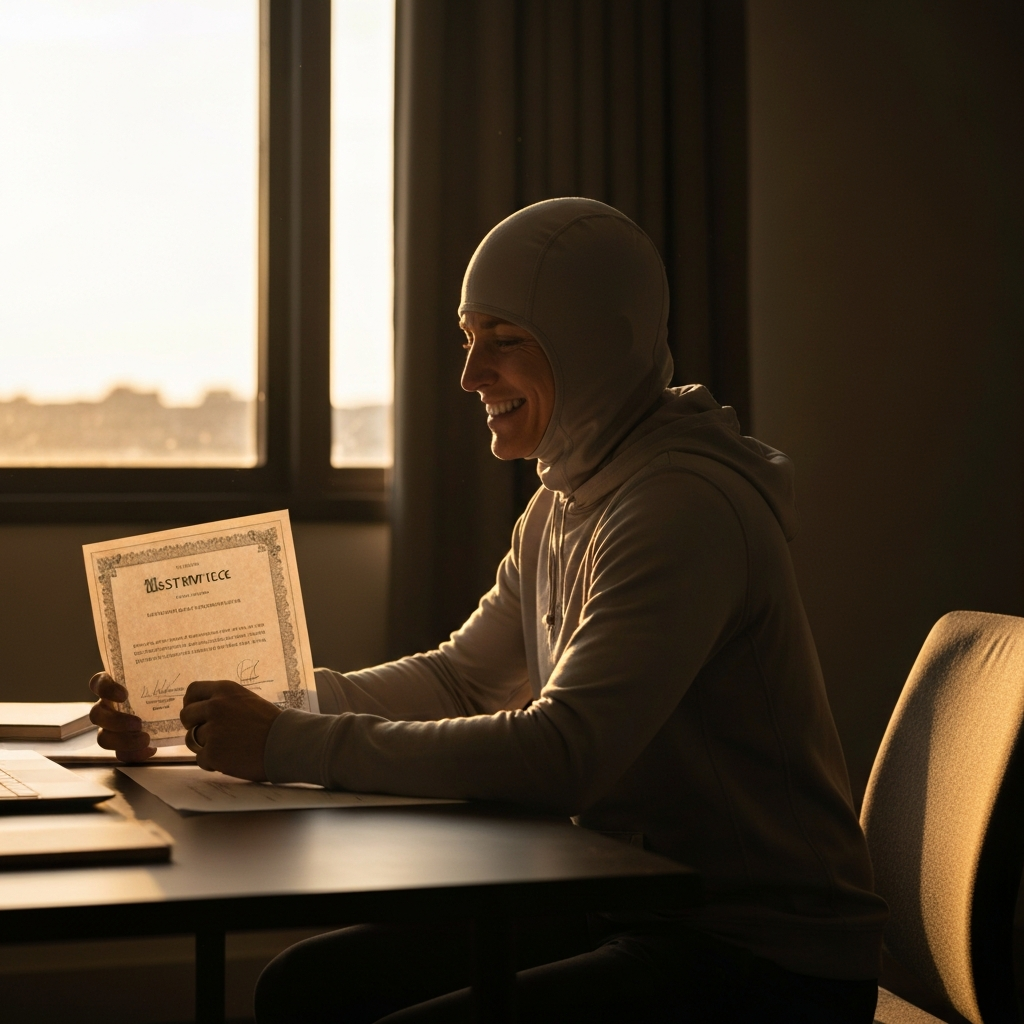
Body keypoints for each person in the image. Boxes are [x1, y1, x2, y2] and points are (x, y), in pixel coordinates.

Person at [91, 198, 886, 1022]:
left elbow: (561, 755)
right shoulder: (565, 501)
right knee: (304, 990)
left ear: (599, 345)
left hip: (763, 956)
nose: (470, 375)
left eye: (504, 342)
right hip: (627, 903)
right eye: (469, 340)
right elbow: (463, 680)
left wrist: (286, 740)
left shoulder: (680, 508)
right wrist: (225, 706)